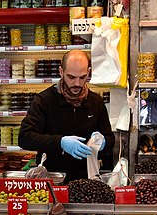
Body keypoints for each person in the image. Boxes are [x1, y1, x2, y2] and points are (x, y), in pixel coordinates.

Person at [19, 50, 114, 182]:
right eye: (71, 77)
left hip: (87, 180)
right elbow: (25, 137)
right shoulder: (44, 100)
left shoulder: (96, 102)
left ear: (89, 72)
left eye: (82, 77)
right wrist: (60, 142)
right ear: (61, 72)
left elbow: (110, 139)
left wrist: (103, 142)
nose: (77, 83)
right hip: (52, 178)